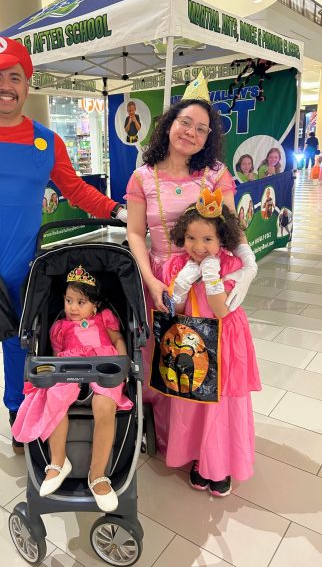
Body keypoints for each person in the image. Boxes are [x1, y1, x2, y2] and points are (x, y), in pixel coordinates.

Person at [0, 36, 127, 471]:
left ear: (27, 85)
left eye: (15, 77)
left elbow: (75, 188)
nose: (5, 86)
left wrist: (116, 210)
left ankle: (18, 410)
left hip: (22, 267)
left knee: (21, 343)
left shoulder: (45, 141)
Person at [126, 72, 257, 457]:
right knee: (170, 359)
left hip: (206, 281)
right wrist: (150, 280)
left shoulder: (216, 173)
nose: (191, 133)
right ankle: (174, 443)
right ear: (169, 123)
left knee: (208, 361)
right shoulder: (142, 177)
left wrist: (247, 263)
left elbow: (230, 228)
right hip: (162, 284)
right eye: (185, 122)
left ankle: (212, 455)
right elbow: (135, 233)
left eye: (202, 128)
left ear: (208, 137)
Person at [161, 189, 261, 496]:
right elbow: (174, 309)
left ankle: (219, 465)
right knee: (195, 402)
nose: (198, 246)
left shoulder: (229, 265)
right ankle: (198, 456)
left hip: (225, 339)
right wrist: (180, 285)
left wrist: (210, 275)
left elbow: (220, 310)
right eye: (191, 238)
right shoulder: (179, 265)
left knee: (221, 404)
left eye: (207, 239)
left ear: (222, 240)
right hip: (193, 342)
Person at [11, 266, 132, 511]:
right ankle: (58, 462)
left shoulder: (104, 318)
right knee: (55, 397)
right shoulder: (60, 327)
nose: (73, 308)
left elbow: (118, 339)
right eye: (68, 301)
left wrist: (123, 365)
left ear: (95, 305)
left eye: (81, 302)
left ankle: (97, 475)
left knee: (104, 405)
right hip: (69, 366)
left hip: (103, 365)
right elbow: (56, 355)